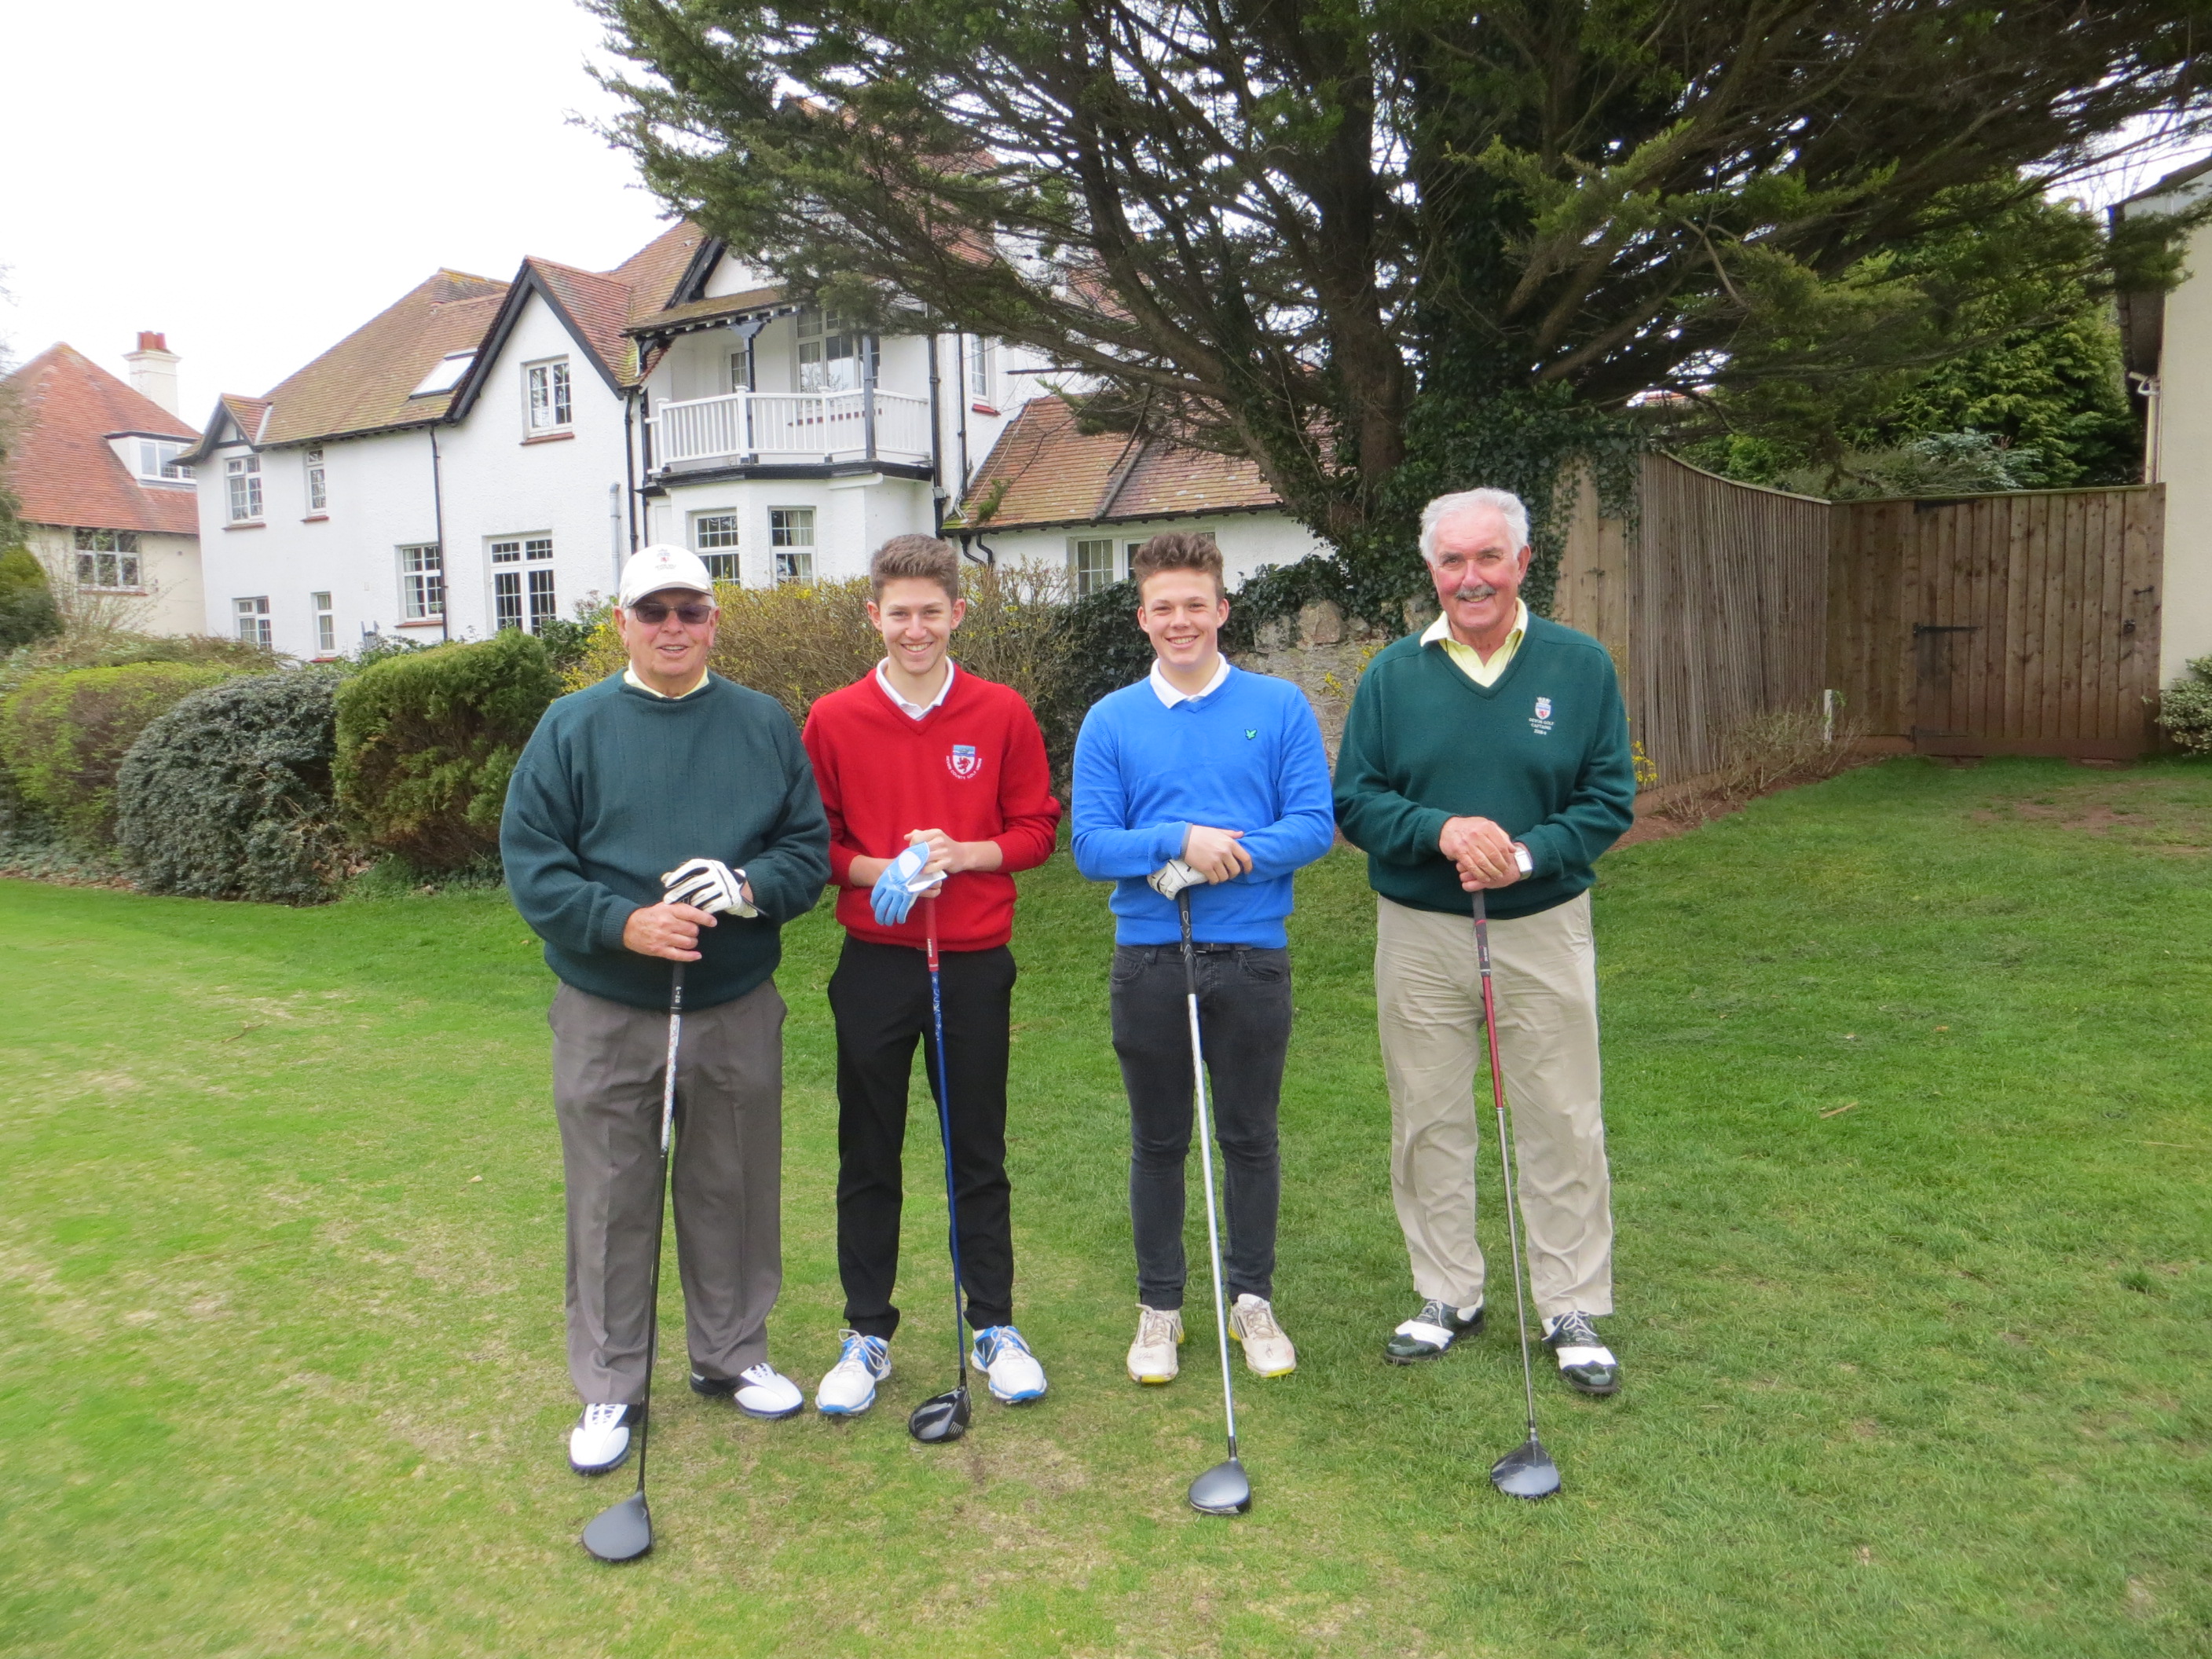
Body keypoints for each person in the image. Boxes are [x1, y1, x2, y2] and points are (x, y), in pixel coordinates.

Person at [500, 544, 830, 1474]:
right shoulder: (572, 726)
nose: (673, 628)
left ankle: (731, 1355)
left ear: (715, 621)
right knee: (612, 1194)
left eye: (690, 611)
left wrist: (746, 883)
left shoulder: (763, 724)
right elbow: (533, 864)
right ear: (623, 625)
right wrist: (621, 924)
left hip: (731, 999)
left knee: (730, 1185)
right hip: (609, 1004)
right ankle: (610, 1382)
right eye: (655, 614)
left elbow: (806, 850)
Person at [1334, 488, 1635, 1394]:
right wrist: (1438, 831)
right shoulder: (1392, 674)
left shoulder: (1578, 666)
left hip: (1540, 925)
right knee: (1426, 1117)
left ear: (1521, 563)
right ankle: (1446, 1292)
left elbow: (1606, 797)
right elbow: (1356, 798)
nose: (1470, 577)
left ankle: (1569, 1302)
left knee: (1560, 1116)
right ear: (1431, 571)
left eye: (1487, 558)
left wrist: (1526, 853)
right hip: (1420, 930)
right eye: (1452, 561)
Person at [799, 534, 1063, 1415]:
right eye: (898, 613)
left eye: (931, 612)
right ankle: (866, 1333)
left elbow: (1035, 829)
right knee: (867, 1154)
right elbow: (816, 844)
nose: (915, 629)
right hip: (876, 962)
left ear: (958, 613)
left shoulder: (1000, 713)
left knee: (975, 1152)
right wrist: (883, 872)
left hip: (974, 961)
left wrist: (965, 853)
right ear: (873, 616)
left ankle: (993, 1325)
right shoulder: (832, 718)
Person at [1071, 533, 1335, 1385]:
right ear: (1141, 617)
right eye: (1162, 607)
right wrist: (1174, 840)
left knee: (1249, 1137)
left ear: (1221, 611)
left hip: (1252, 955)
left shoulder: (1280, 705)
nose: (1178, 620)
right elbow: (1090, 844)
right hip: (1149, 959)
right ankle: (1160, 1308)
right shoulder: (1111, 719)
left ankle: (1250, 1299)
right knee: (1157, 1141)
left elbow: (1311, 825)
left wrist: (1226, 855)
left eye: (1194, 604)